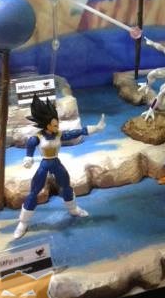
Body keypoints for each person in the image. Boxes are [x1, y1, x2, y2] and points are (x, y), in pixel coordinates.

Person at [14, 95, 105, 238]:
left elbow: (77, 132)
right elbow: (30, 148)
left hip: (56, 163)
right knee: (34, 192)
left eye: (57, 124)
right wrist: (28, 158)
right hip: (44, 165)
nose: (57, 127)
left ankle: (73, 209)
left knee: (66, 186)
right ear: (46, 125)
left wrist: (96, 128)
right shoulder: (36, 138)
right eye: (54, 125)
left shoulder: (58, 135)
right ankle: (23, 222)